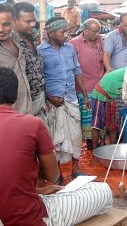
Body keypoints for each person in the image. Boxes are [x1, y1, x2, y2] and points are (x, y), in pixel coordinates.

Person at [0, 67, 112, 226]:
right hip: (29, 219)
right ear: (15, 96)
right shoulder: (32, 124)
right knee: (102, 191)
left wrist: (37, 191)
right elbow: (53, 176)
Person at [38, 17, 90, 180]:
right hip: (52, 102)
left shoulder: (69, 49)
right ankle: (58, 173)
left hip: (71, 98)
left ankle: (75, 169)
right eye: (62, 31)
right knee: (55, 139)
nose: (66, 34)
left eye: (66, 31)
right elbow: (38, 78)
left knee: (76, 134)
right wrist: (48, 97)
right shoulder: (40, 51)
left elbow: (77, 72)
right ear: (51, 33)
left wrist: (85, 95)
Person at [70, 18, 104, 148]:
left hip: (100, 86)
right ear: (85, 30)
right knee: (88, 119)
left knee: (100, 117)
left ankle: (100, 141)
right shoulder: (74, 44)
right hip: (86, 88)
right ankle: (90, 143)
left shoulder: (99, 40)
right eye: (94, 32)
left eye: (98, 32)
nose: (97, 34)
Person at [13, 2, 47, 122]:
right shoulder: (12, 44)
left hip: (40, 99)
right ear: (15, 21)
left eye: (33, 21)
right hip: (24, 102)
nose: (32, 25)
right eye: (28, 22)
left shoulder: (31, 38)